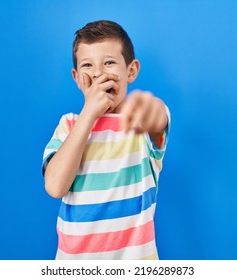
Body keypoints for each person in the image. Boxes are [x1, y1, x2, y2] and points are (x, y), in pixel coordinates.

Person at [42, 20, 170, 260]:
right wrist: (89, 113)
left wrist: (153, 110)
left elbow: (158, 117)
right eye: (88, 65)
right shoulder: (69, 125)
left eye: (109, 62)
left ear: (130, 71)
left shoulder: (139, 124)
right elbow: (55, 186)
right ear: (78, 77)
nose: (99, 73)